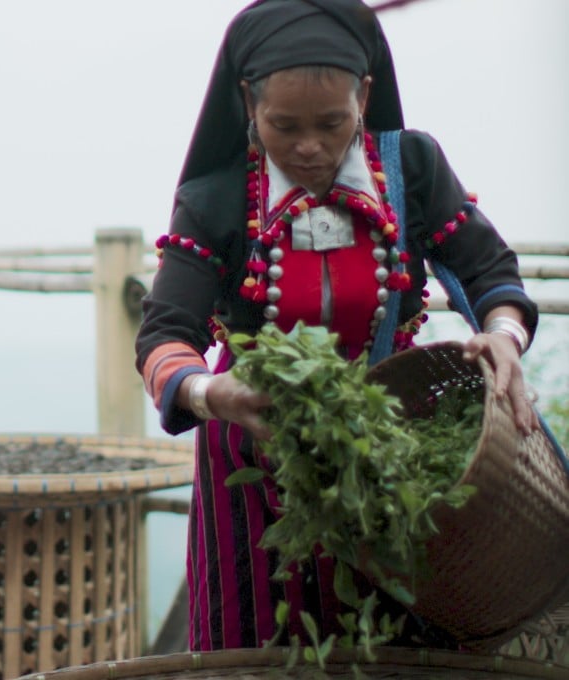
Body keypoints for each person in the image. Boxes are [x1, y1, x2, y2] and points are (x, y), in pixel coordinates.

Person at [135, 0, 539, 652]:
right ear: (246, 102)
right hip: (254, 452)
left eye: (332, 123)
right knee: (259, 643)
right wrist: (212, 394)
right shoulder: (214, 199)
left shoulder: (409, 171)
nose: (309, 147)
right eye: (283, 124)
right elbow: (163, 338)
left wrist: (503, 333)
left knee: (394, 642)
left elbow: (490, 272)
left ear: (366, 96)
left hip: (388, 451)